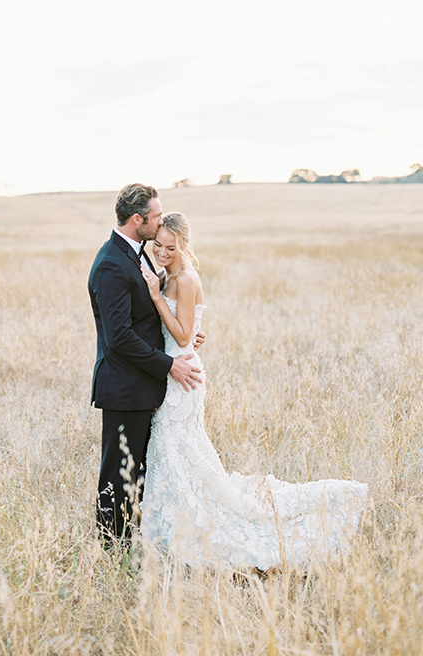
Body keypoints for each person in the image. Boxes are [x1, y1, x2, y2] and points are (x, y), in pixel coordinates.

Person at [140, 212, 368, 570]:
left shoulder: (184, 278)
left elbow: (183, 336)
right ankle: (173, 527)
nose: (162, 252)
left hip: (182, 378)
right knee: (175, 451)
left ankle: (189, 529)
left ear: (184, 244)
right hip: (174, 368)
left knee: (174, 444)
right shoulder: (167, 273)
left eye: (171, 247)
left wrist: (156, 298)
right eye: (158, 245)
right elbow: (186, 330)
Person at [88, 185, 203, 546]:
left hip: (144, 385)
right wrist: (170, 363)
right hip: (124, 386)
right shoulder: (111, 264)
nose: (160, 220)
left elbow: (146, 317)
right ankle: (111, 548)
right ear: (138, 219)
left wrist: (187, 333)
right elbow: (119, 337)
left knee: (140, 470)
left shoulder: (138, 252)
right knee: (118, 473)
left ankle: (139, 537)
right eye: (156, 215)